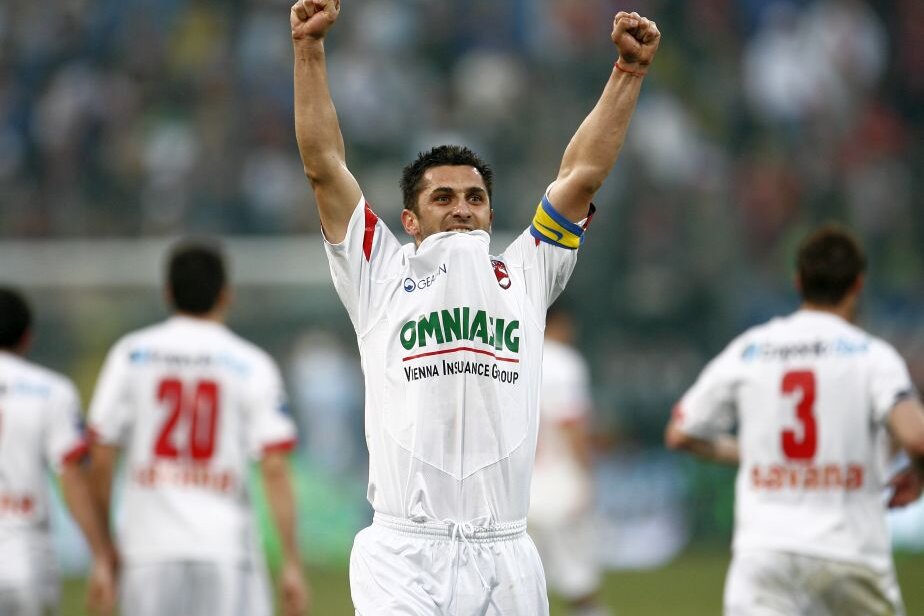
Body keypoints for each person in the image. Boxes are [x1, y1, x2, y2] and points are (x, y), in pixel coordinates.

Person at [291, 0, 660, 613]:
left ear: (490, 211)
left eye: (475, 197)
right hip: (403, 551)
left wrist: (629, 72)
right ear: (410, 220)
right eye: (442, 197)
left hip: (506, 551)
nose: (462, 207)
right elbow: (324, 167)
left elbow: (583, 174)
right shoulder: (379, 272)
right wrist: (308, 49)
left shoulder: (527, 271)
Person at [665, 225, 924, 616]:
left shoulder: (752, 349)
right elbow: (916, 437)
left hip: (764, 553)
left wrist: (756, 454)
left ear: (798, 281)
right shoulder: (872, 356)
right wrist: (919, 474)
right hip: (847, 551)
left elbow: (680, 434)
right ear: (858, 284)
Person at [86, 241, 309, 616]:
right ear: (226, 295)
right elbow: (274, 466)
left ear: (167, 293)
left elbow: (101, 456)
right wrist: (291, 562)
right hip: (225, 548)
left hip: (147, 550)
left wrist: (102, 550)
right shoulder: (251, 363)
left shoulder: (131, 355)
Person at [0, 287, 116, 616]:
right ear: (27, 337)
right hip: (25, 561)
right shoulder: (51, 390)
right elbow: (72, 479)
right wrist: (101, 555)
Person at [528, 302, 609, 616]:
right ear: (560, 322)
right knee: (579, 581)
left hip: (518, 490)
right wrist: (585, 474)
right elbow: (570, 424)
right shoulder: (563, 363)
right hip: (559, 482)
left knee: (523, 587)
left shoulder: (513, 351)